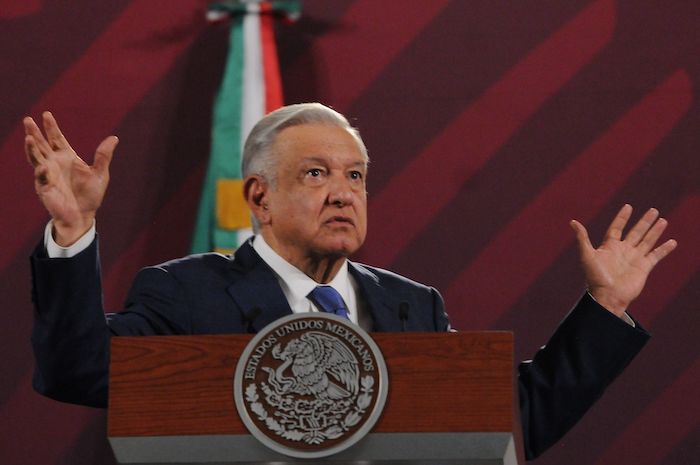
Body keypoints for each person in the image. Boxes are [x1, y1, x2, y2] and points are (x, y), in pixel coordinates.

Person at [25, 103, 676, 460]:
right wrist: (74, 234)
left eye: (356, 176)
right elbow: (78, 370)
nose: (343, 193)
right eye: (316, 174)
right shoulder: (185, 293)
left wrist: (605, 305)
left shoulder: (411, 304)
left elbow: (513, 420)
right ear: (259, 196)